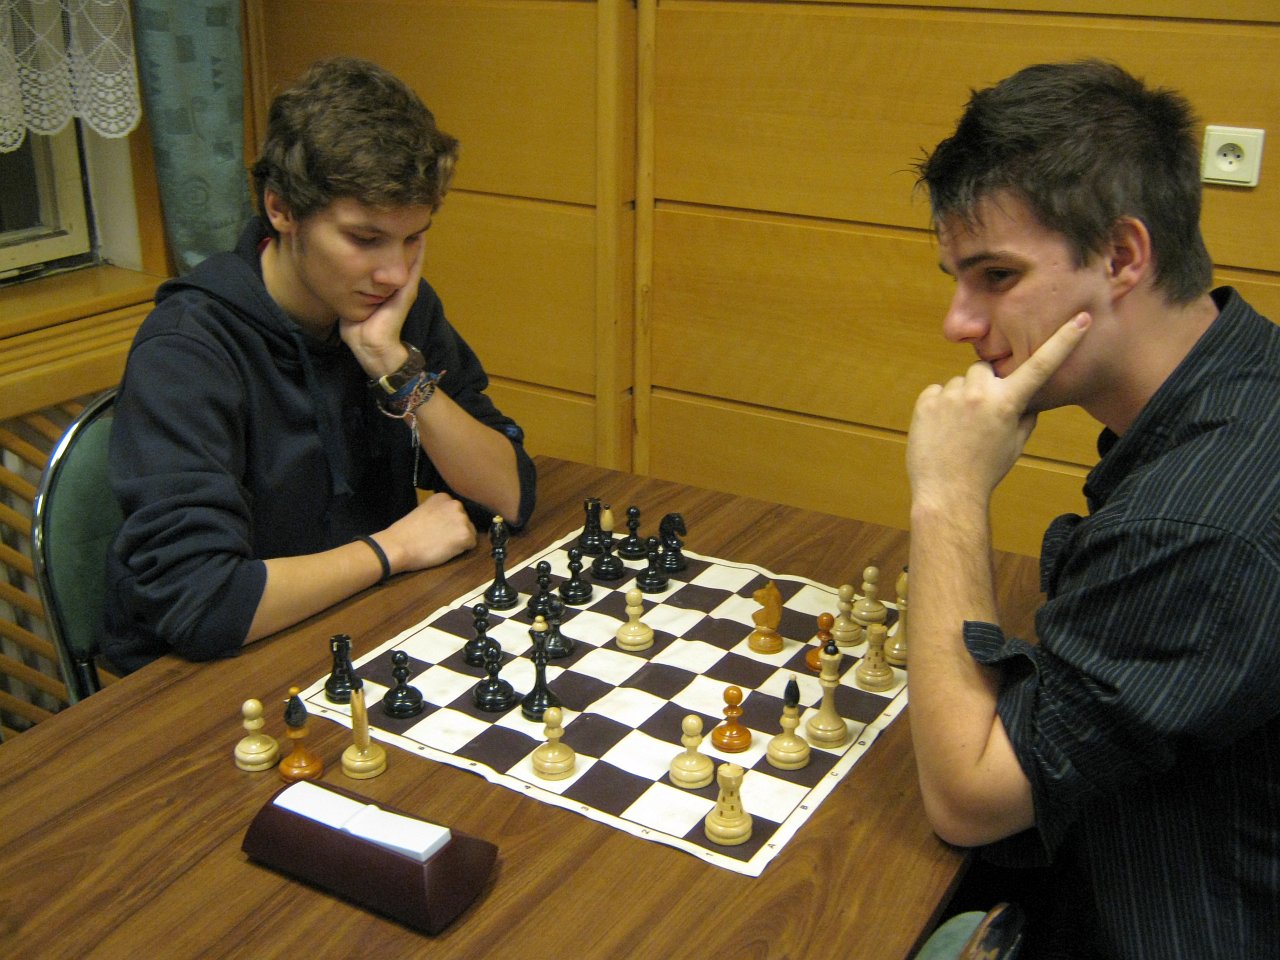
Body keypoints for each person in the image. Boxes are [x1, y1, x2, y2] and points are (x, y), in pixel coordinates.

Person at [905, 60, 1280, 959]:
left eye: (996, 275)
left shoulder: (1198, 525)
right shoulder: (1242, 371)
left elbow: (966, 800)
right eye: (958, 278)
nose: (959, 322)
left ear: (1120, 257)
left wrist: (948, 491)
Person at [103, 57, 536, 674]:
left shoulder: (396, 313)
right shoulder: (187, 350)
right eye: (365, 239)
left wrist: (395, 367)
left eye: (413, 238)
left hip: (347, 624)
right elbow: (202, 605)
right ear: (281, 209)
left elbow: (510, 496)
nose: (394, 273)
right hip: (193, 678)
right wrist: (394, 549)